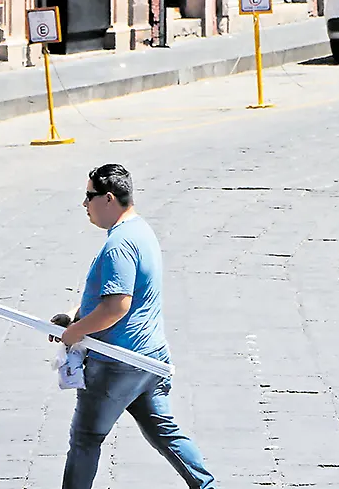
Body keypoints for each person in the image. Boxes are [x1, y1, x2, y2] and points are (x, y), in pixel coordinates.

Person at [53, 164, 217, 489]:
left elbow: (117, 305)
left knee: (86, 438)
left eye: (89, 197)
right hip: (149, 360)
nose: (84, 204)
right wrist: (75, 315)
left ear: (109, 199)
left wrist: (75, 333)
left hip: (117, 363)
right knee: (165, 432)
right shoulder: (141, 231)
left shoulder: (119, 245)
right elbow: (124, 296)